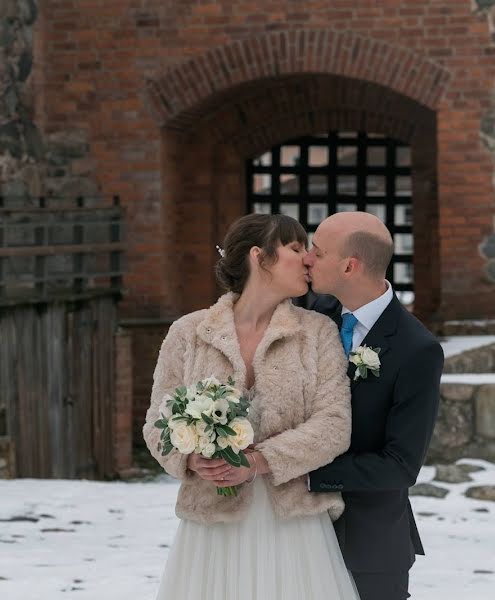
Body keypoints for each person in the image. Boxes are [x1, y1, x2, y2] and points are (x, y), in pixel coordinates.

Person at [144, 213, 359, 600]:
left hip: (294, 527)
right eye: (295, 248)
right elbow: (157, 422)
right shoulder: (188, 333)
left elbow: (334, 424)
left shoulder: (317, 333)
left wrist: (258, 462)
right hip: (211, 527)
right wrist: (192, 459)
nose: (308, 258)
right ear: (260, 257)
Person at [303, 211, 444, 600]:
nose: (307, 258)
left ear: (349, 265)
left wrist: (303, 473)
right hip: (298, 537)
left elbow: (400, 465)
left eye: (317, 250)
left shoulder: (418, 350)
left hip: (371, 549)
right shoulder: (313, 319)